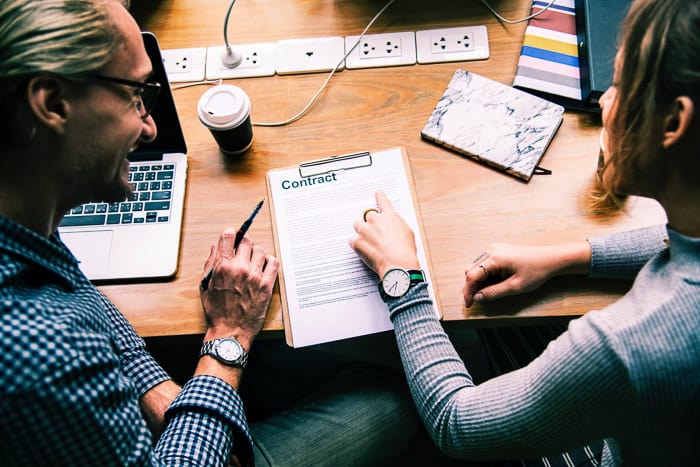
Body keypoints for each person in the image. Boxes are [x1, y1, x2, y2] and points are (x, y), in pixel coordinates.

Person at [0, 1, 420, 465]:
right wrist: (228, 337)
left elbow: (73, 291)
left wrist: (155, 387)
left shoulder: (20, 215)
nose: (149, 126)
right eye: (134, 96)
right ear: (52, 103)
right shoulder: (40, 356)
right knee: (399, 388)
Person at [349, 0, 700, 465]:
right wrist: (565, 258)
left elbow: (458, 423)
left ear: (674, 122)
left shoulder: (625, 346)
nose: (603, 100)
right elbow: (680, 244)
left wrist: (402, 278)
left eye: (621, 83)